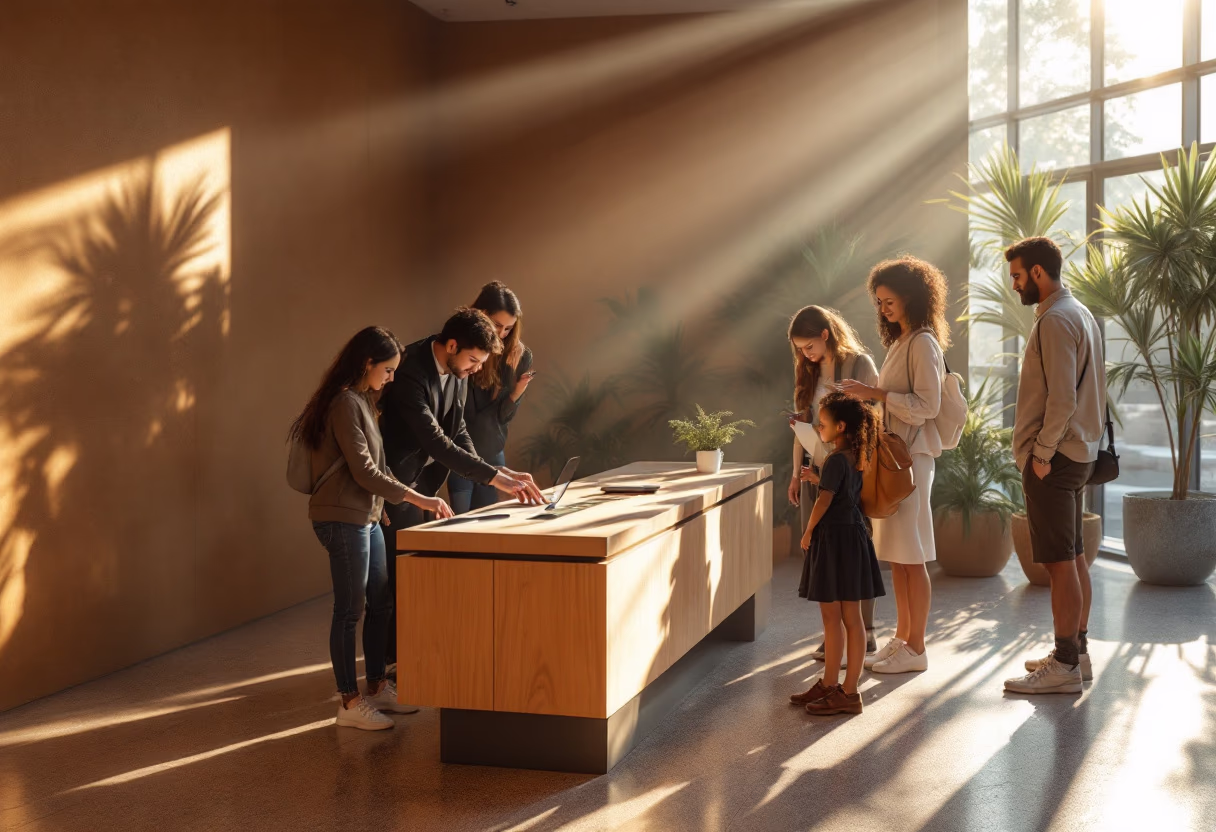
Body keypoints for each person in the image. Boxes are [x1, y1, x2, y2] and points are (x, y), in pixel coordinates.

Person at [289, 326, 455, 731]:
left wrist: (382, 506)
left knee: (382, 601)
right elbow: (363, 470)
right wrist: (419, 499)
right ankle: (348, 701)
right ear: (367, 364)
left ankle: (378, 685)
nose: (391, 378)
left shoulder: (363, 400)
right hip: (341, 518)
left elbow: (375, 466)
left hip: (366, 515)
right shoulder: (345, 403)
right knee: (350, 610)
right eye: (388, 370)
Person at [378, 307, 545, 669]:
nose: (472, 370)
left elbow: (459, 430)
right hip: (394, 485)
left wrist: (498, 468)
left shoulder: (459, 371)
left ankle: (408, 659)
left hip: (425, 484)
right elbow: (436, 441)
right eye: (471, 361)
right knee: (394, 581)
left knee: (416, 577)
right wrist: (495, 479)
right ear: (451, 345)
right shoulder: (409, 371)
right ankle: (389, 668)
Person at [1001, 237, 1105, 695]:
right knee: (1075, 555)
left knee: (1061, 564)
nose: (1015, 285)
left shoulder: (1056, 320)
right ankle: (1075, 653)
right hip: (1078, 454)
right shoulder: (1078, 313)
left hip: (1056, 459)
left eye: (1019, 276)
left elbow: (1061, 398)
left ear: (1039, 272)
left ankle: (1064, 665)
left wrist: (1040, 455)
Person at [840, 255, 950, 675]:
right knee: (901, 556)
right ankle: (904, 639)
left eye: (889, 300)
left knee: (913, 554)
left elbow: (928, 405)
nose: (883, 308)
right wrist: (867, 397)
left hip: (912, 459)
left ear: (913, 298)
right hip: (896, 457)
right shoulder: (903, 342)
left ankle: (917, 647)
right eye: (879, 302)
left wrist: (876, 393)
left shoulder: (923, 343)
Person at [787, 305, 882, 661]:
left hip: (850, 471)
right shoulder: (807, 373)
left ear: (825, 334)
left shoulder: (858, 364)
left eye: (808, 346)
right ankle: (834, 633)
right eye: (799, 349)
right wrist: (796, 474)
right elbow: (802, 428)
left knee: (854, 549)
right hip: (818, 471)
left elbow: (873, 421)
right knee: (823, 552)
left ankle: (865, 631)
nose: (804, 354)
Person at [791, 392, 886, 716]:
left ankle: (844, 690)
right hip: (853, 539)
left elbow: (824, 501)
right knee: (851, 618)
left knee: (834, 619)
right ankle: (838, 686)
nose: (819, 427)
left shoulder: (834, 459)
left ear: (841, 426)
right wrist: (820, 480)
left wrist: (807, 531)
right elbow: (843, 492)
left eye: (824, 423)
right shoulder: (855, 457)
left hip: (834, 541)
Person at [448, 282, 536, 514]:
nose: (502, 334)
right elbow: (466, 416)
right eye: (497, 325)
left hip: (492, 445)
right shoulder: (465, 350)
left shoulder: (519, 355)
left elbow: (502, 417)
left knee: (489, 520)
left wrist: (516, 390)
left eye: (509, 328)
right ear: (482, 315)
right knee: (460, 523)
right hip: (461, 448)